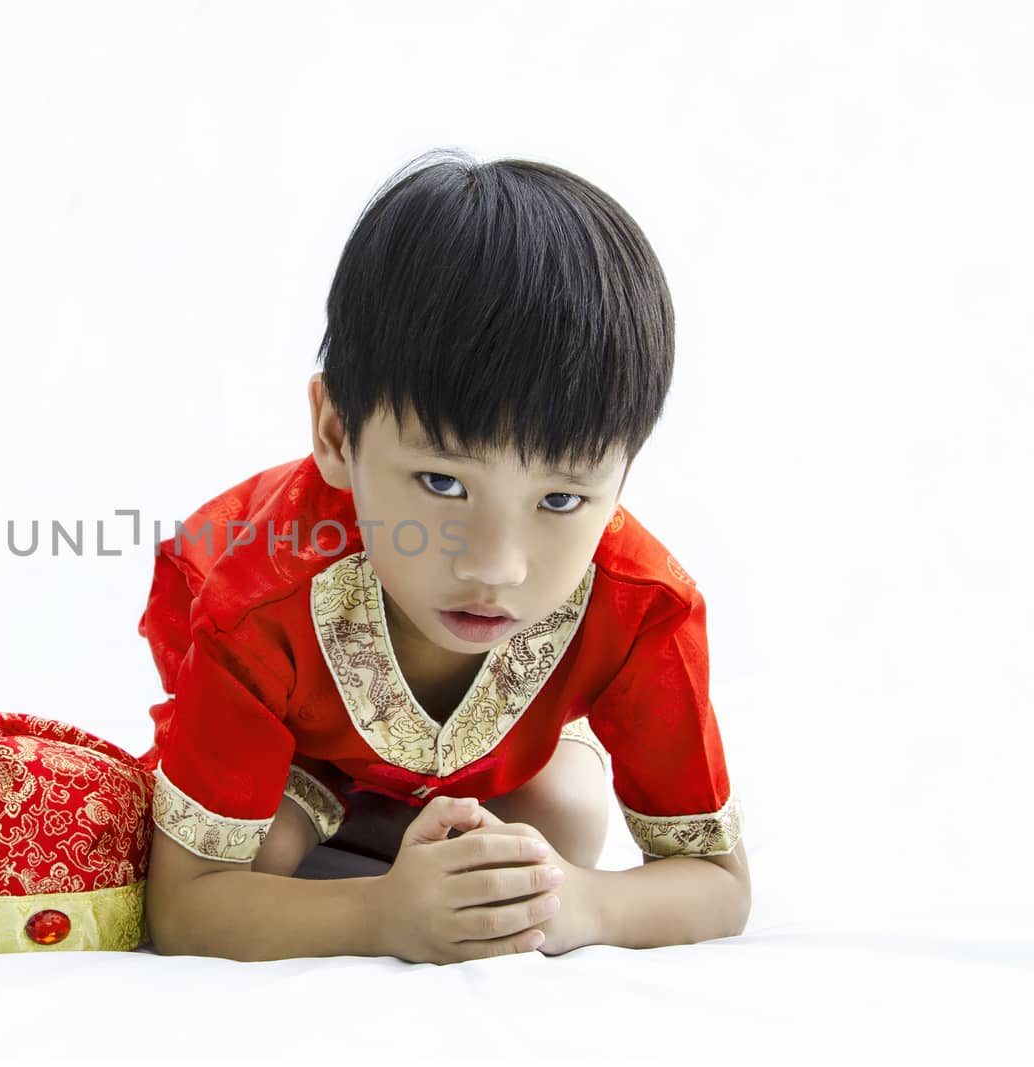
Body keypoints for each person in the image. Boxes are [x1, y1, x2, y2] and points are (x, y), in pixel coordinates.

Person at [138, 150, 749, 964]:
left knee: (564, 820)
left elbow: (718, 880)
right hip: (299, 734)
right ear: (335, 435)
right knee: (261, 850)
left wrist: (581, 901)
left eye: (561, 500)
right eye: (440, 480)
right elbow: (185, 905)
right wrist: (381, 916)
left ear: (623, 472)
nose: (497, 566)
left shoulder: (645, 605)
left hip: (497, 749)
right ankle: (349, 813)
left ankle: (393, 821)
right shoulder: (257, 599)